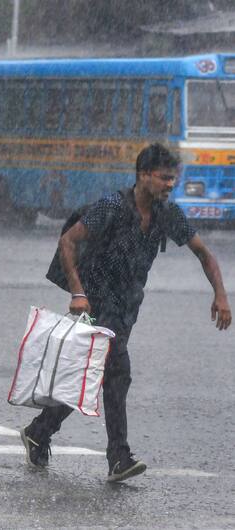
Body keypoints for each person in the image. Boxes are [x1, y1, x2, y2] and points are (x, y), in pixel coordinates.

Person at [20, 143, 231, 482]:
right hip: (97, 304)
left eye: (173, 180)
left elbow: (204, 254)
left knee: (92, 376)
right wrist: (78, 292)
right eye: (164, 178)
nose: (169, 185)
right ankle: (118, 457)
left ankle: (39, 431)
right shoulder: (113, 206)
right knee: (118, 373)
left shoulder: (167, 214)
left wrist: (220, 294)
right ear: (143, 175)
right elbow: (68, 243)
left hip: (127, 308)